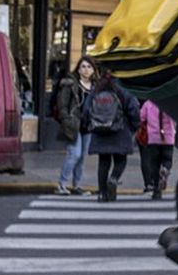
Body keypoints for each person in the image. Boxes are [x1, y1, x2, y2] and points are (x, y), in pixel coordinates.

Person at [82, 69, 140, 202]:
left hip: (99, 131)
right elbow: (133, 108)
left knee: (103, 162)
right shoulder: (123, 89)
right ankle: (113, 179)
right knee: (121, 160)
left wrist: (88, 125)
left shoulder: (96, 90)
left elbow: (86, 109)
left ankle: (102, 193)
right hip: (120, 130)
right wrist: (135, 125)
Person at [54, 57, 96, 195]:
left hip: (88, 125)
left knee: (82, 157)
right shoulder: (71, 84)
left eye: (89, 67)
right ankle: (62, 184)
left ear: (93, 70)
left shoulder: (95, 86)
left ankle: (77, 185)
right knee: (74, 154)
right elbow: (62, 104)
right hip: (74, 124)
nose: (86, 69)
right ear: (78, 69)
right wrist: (66, 118)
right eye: (83, 66)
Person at [138, 100, 176, 199]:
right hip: (168, 138)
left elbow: (141, 118)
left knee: (154, 164)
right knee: (167, 160)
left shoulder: (148, 104)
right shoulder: (170, 103)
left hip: (153, 139)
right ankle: (165, 169)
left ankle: (156, 190)